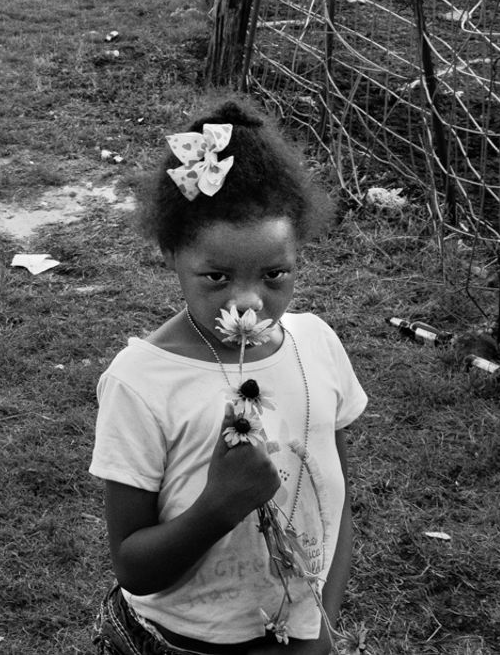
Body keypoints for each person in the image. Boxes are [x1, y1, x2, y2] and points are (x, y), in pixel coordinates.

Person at [90, 98, 367, 654]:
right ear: (172, 256)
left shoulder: (318, 345)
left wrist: (323, 632)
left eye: (274, 275)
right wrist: (221, 504)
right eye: (216, 276)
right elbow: (135, 567)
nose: (248, 301)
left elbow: (334, 505)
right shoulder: (141, 382)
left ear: (299, 253)